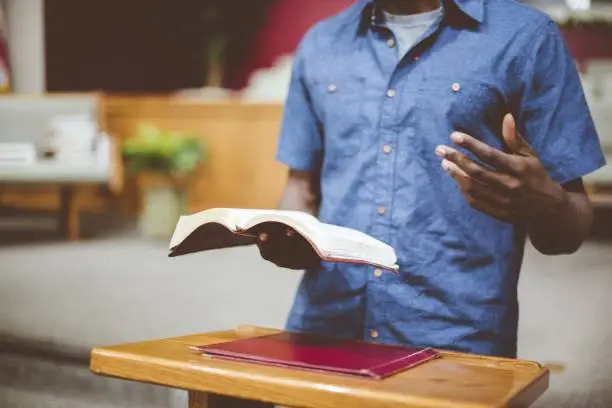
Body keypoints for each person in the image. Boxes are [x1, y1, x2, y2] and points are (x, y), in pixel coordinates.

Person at [257, 0, 606, 360]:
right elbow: (300, 187)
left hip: (455, 338)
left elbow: (572, 227)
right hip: (323, 326)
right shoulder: (321, 42)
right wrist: (286, 235)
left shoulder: (527, 38)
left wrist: (546, 205)